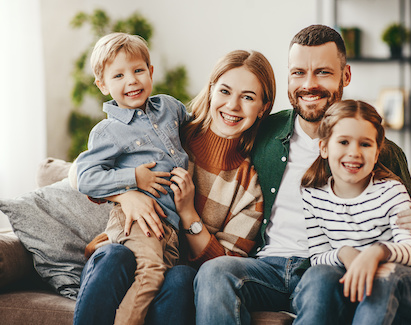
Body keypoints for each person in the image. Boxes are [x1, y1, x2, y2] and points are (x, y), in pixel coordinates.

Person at [193, 24, 411, 324]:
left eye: (322, 72)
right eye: (298, 72)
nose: (309, 84)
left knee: (321, 280)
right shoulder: (263, 131)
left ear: (345, 76)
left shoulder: (377, 149)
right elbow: (210, 133)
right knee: (215, 271)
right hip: (268, 266)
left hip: (330, 267)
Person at [73, 48, 276, 325]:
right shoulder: (170, 131)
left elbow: (226, 270)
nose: (233, 106)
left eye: (248, 97)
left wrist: (188, 214)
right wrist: (127, 195)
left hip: (174, 270)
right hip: (124, 251)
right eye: (225, 91)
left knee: (182, 277)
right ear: (211, 90)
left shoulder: (248, 187)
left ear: (263, 107)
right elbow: (84, 175)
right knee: (113, 255)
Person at [301, 99, 411, 324]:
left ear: (376, 153)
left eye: (365, 144)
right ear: (324, 147)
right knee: (318, 276)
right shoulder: (313, 195)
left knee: (383, 277)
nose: (354, 152)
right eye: (343, 142)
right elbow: (317, 258)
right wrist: (344, 252)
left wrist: (376, 253)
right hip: (362, 284)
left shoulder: (391, 190)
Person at [74, 32, 189, 325]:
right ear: (102, 85)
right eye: (119, 75)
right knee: (149, 274)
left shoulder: (170, 107)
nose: (132, 81)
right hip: (137, 220)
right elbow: (85, 176)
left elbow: (199, 126)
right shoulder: (107, 131)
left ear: (151, 72)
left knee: (162, 278)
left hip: (171, 226)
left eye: (138, 70)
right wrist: (133, 179)